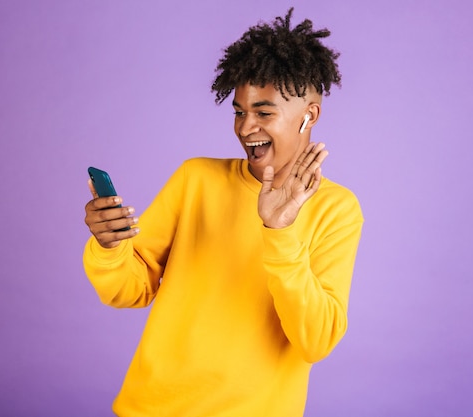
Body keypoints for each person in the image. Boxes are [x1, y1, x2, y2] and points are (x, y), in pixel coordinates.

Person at [83, 8, 363, 417]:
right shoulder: (196, 178)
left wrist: (278, 231)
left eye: (264, 112)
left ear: (309, 115)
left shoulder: (336, 209)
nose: (246, 127)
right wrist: (109, 247)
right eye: (238, 111)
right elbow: (130, 289)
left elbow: (315, 341)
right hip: (151, 407)